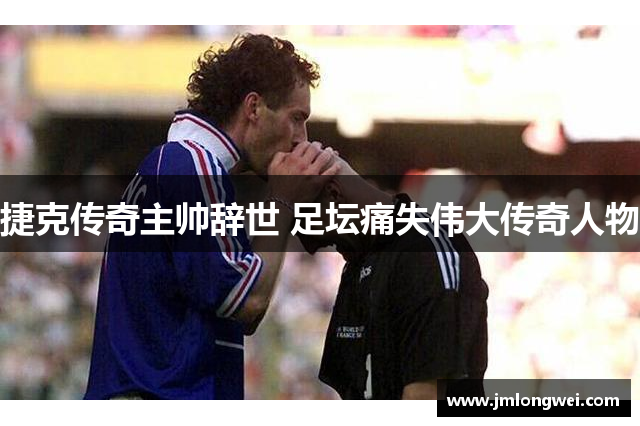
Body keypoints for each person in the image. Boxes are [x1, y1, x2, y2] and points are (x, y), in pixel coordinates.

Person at [84, 34, 339, 400]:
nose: (302, 137)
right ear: (254, 107)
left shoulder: (176, 162)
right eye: (296, 118)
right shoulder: (193, 166)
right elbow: (247, 303)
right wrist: (283, 199)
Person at [296, 159, 488, 399]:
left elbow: (423, 399)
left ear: (334, 195)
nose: (316, 246)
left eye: (313, 228)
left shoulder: (424, 250)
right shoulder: (359, 259)